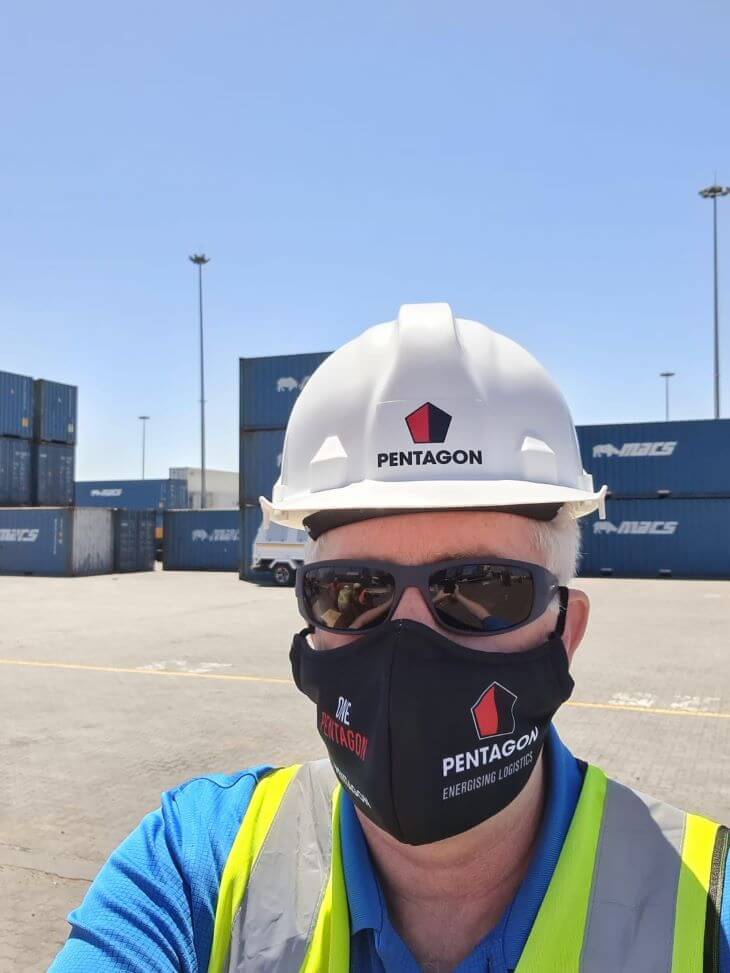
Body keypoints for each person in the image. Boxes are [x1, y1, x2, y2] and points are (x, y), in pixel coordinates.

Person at [50, 303, 729, 972]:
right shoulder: (194, 866)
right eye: (354, 592)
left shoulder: (706, 912)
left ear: (566, 631)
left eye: (482, 586)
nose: (407, 640)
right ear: (309, 612)